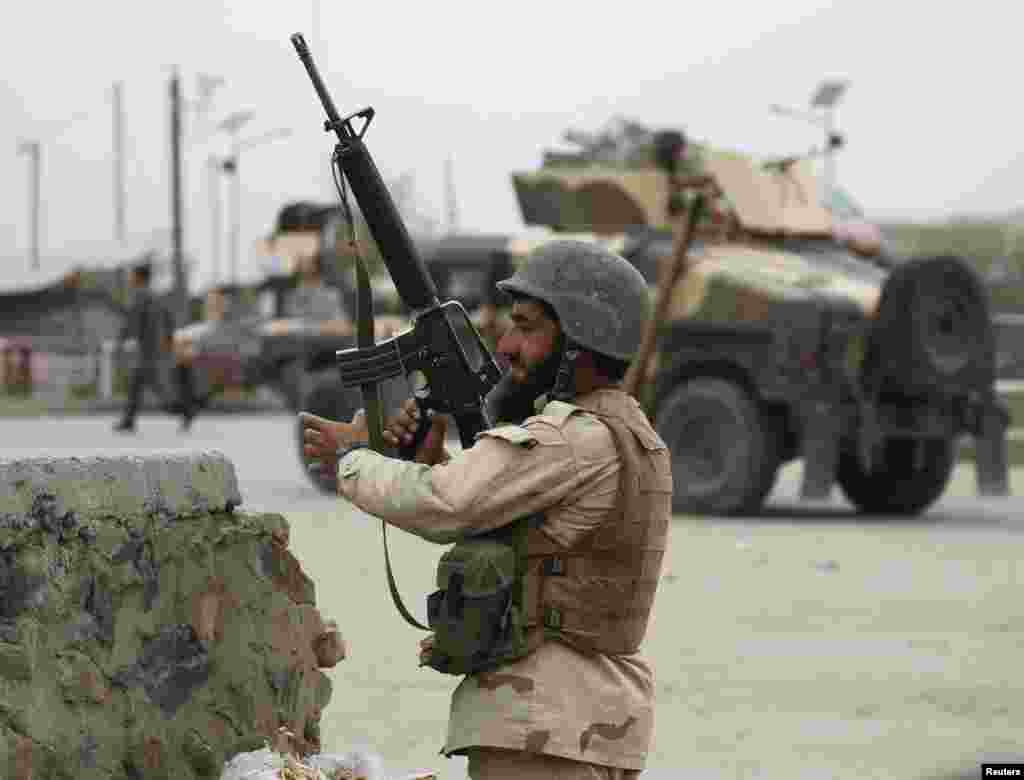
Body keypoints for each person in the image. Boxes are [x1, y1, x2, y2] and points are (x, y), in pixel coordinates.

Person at [301, 240, 672, 779]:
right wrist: (435, 461)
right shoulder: (630, 434)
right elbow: (526, 530)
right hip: (594, 724)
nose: (506, 346)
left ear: (579, 340)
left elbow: (446, 502)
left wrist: (351, 460)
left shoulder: (570, 440)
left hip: (540, 726)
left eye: (526, 327)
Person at [113, 261, 194, 432]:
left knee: (155, 390)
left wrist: (121, 341)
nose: (130, 279)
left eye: (132, 276)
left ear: (139, 277)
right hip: (156, 348)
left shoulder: (140, 297)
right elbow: (168, 319)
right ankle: (129, 420)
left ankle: (185, 410)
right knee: (141, 385)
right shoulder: (156, 297)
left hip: (148, 350)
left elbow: (133, 322)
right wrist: (169, 341)